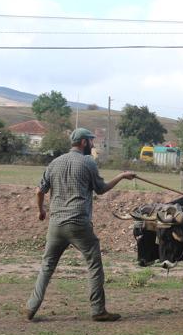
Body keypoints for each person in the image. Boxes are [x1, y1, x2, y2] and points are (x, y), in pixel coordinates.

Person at [23, 128, 136, 322]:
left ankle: (31, 306)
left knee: (47, 265)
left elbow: (39, 191)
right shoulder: (87, 163)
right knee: (94, 265)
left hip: (56, 224)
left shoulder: (55, 162)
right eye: (91, 141)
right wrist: (122, 176)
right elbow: (101, 189)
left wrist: (41, 210)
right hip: (79, 223)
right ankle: (98, 310)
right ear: (83, 142)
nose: (93, 145)